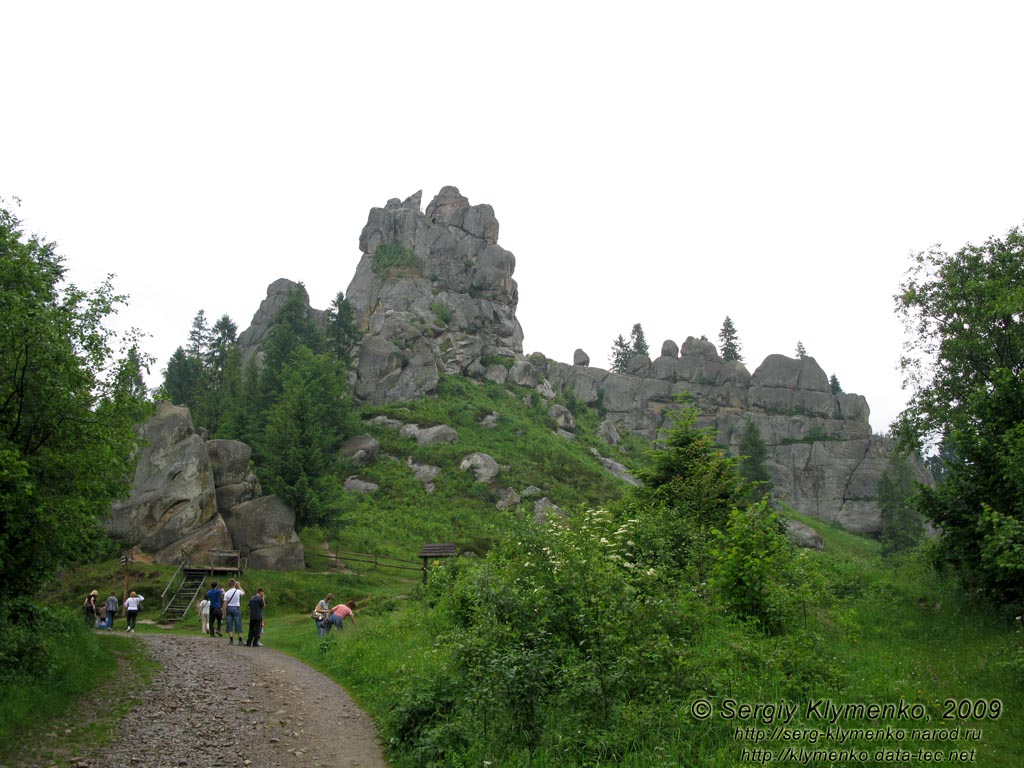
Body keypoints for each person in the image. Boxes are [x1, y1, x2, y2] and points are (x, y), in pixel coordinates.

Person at [223, 579, 246, 645]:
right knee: (238, 623)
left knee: (229, 623)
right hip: (236, 608)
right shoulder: (238, 591)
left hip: (229, 608)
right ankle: (240, 640)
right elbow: (244, 593)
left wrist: (223, 612)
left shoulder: (226, 593)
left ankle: (231, 639)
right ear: (234, 584)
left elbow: (225, 603)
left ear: (229, 585)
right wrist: (239, 586)